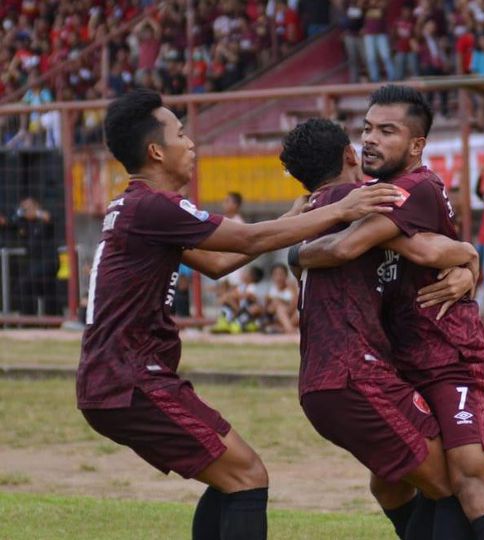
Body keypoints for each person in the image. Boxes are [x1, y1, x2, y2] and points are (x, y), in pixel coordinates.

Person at [75, 88, 403, 540]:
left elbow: (217, 263)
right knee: (246, 475)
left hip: (118, 378)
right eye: (182, 134)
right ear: (155, 150)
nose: (191, 143)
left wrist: (292, 219)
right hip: (130, 379)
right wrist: (341, 210)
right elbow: (247, 241)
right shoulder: (155, 206)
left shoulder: (133, 206)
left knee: (233, 477)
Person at [294, 86, 484, 539]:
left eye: (387, 131)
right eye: (367, 129)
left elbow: (343, 247)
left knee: (468, 484)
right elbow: (415, 245)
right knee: (391, 486)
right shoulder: (369, 194)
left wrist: (295, 249)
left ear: (417, 145)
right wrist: (464, 256)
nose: (370, 140)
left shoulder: (412, 188)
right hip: (401, 359)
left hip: (450, 356)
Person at [11, 196, 58, 315]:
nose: (25, 210)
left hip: (48, 261)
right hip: (34, 264)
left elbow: (49, 217)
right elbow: (12, 222)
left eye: (28, 207)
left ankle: (50, 318)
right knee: (27, 287)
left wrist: (34, 213)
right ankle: (30, 319)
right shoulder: (25, 223)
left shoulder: (43, 217)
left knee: (28, 283)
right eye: (23, 208)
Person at [264, 263, 299, 334]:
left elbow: (296, 304)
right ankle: (289, 329)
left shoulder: (291, 288)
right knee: (279, 307)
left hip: (292, 315)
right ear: (272, 276)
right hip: (278, 317)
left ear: (286, 275)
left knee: (299, 313)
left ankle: (284, 329)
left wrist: (282, 302)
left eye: (281, 274)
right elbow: (267, 311)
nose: (278, 277)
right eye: (275, 274)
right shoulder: (270, 291)